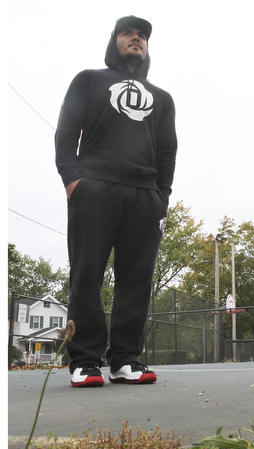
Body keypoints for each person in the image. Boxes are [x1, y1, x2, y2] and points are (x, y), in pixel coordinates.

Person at [55, 16, 177, 387]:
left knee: (136, 280)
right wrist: (73, 181)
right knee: (86, 274)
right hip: (94, 188)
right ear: (115, 41)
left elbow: (168, 151)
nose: (136, 38)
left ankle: (125, 359)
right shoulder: (88, 80)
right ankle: (84, 360)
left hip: (145, 197)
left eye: (142, 36)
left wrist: (162, 197)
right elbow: (66, 130)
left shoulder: (162, 97)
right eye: (128, 33)